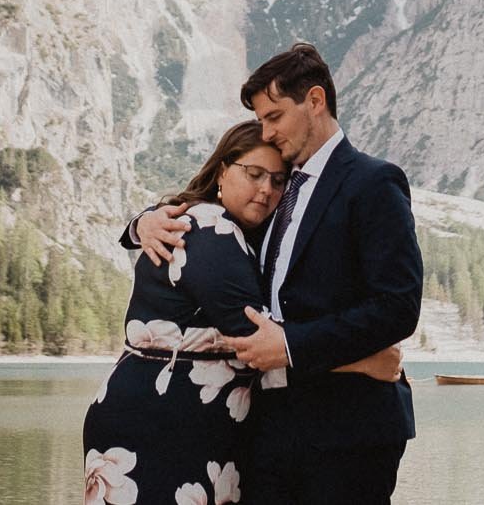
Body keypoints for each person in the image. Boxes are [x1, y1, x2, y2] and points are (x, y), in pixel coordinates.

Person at [129, 43, 422, 504]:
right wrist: (141, 222)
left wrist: (290, 346)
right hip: (270, 430)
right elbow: (209, 205)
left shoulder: (373, 183)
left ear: (315, 101)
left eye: (274, 116)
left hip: (350, 431)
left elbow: (398, 307)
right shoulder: (276, 191)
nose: (266, 131)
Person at [85, 119, 400, 505]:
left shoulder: (238, 232)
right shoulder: (210, 227)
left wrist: (139, 223)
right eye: (254, 174)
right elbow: (257, 342)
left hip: (188, 423)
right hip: (162, 423)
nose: (266, 189)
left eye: (279, 180)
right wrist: (364, 362)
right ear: (222, 170)